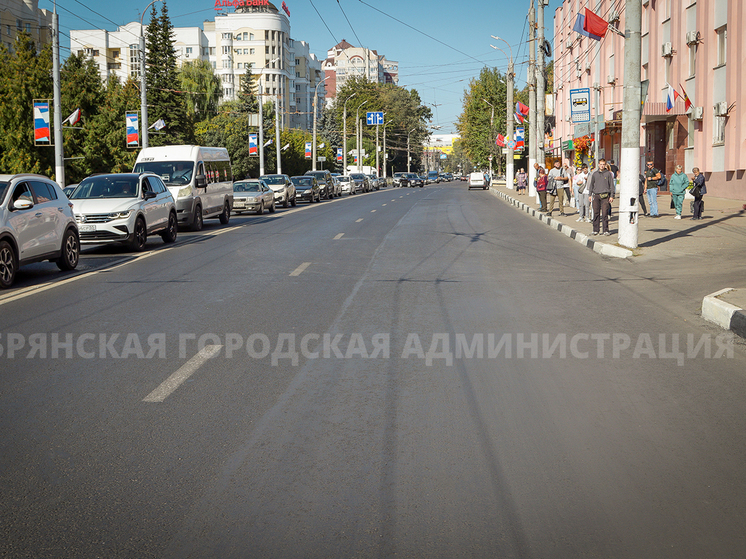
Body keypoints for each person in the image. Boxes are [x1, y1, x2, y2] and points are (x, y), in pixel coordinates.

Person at [587, 158, 615, 235]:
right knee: (596, 213)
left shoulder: (608, 174)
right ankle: (595, 230)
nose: (602, 166)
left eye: (603, 164)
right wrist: (590, 195)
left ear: (605, 165)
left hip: (605, 196)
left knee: (605, 213)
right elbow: (591, 185)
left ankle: (605, 230)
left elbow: (611, 186)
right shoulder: (595, 174)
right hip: (596, 195)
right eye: (601, 164)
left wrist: (612, 196)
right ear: (598, 165)